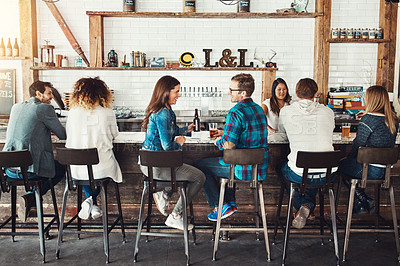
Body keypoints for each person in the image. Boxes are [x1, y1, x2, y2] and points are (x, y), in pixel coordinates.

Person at [194, 73, 269, 221]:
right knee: (228, 163)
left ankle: (220, 206)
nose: (229, 92)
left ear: (243, 93)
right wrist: (226, 132)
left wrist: (219, 141)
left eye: (232, 89)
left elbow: (228, 145)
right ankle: (230, 202)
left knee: (200, 167)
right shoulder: (259, 109)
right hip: (259, 168)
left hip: (241, 169)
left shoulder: (236, 112)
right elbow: (248, 133)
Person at [140, 75, 205, 231]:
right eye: (176, 91)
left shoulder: (165, 110)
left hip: (150, 164)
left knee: (189, 170)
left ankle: (165, 194)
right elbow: (168, 147)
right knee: (199, 177)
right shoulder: (163, 113)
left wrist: (185, 130)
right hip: (158, 166)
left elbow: (170, 130)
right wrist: (179, 143)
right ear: (165, 92)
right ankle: (175, 215)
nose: (179, 95)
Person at [3, 80, 66, 221]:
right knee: (61, 169)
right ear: (38, 94)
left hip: (9, 170)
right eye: (49, 93)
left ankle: (30, 200)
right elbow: (63, 135)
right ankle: (31, 197)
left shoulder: (16, 107)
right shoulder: (43, 108)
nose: (51, 97)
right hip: (30, 172)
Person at [277, 78, 335, 229]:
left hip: (300, 172)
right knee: (310, 174)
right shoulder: (328, 111)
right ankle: (307, 206)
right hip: (327, 174)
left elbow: (282, 133)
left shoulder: (286, 111)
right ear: (316, 94)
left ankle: (303, 205)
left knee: (284, 169)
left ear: (295, 93)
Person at [66, 77, 123, 220]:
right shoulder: (107, 112)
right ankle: (91, 201)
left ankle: (90, 202)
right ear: (102, 93)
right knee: (96, 171)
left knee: (86, 171)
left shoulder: (73, 112)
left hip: (75, 170)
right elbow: (114, 135)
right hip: (102, 168)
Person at [338, 85, 398, 214]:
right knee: (349, 165)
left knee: (339, 165)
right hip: (385, 172)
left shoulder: (368, 120)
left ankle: (362, 199)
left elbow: (358, 145)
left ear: (371, 100)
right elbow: (380, 126)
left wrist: (348, 158)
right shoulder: (393, 119)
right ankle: (360, 203)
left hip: (369, 171)